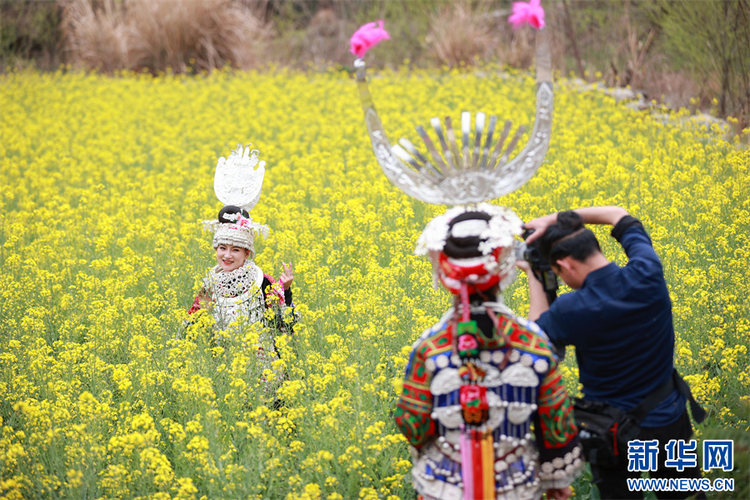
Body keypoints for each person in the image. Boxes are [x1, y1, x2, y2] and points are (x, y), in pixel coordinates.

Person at [395, 204, 583, 500]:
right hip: (516, 488)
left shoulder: (430, 347)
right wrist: (556, 481)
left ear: (445, 273)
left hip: (445, 489)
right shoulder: (533, 342)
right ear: (504, 268)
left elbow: (412, 423)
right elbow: (556, 427)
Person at [517, 206, 706, 500]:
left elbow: (534, 347)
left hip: (610, 433)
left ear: (565, 266)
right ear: (597, 246)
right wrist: (554, 219)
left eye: (557, 273)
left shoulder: (571, 310)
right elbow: (617, 213)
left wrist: (534, 274)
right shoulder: (648, 271)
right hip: (668, 419)